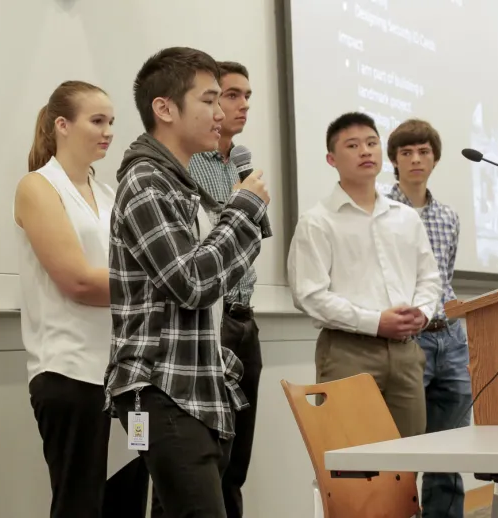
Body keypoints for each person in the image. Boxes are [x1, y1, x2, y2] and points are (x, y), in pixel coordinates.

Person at [105, 46, 272, 518]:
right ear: (165, 108)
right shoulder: (145, 182)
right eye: (209, 99)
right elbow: (194, 283)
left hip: (192, 389)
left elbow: (212, 280)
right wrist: (242, 210)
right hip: (162, 389)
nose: (221, 113)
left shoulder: (176, 183)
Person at [287, 111, 442, 440]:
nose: (366, 151)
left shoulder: (404, 218)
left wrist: (422, 312)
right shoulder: (318, 221)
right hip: (348, 351)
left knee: (408, 460)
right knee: (349, 462)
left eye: (372, 143)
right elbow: (309, 295)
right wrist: (375, 321)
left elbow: (429, 277)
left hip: (406, 351)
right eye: (353, 145)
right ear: (332, 159)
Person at [13, 80, 119, 518]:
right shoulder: (38, 187)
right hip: (69, 370)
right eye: (97, 120)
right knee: (80, 505)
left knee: (124, 501)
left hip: (121, 374)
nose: (108, 131)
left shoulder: (111, 194)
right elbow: (76, 281)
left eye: (112, 121)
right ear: (62, 125)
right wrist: (160, 284)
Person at [187, 60, 264, 518]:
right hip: (207, 319)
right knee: (202, 464)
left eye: (246, 96)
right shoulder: (190, 162)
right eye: (229, 95)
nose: (240, 106)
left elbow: (253, 240)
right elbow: (206, 246)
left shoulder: (241, 160)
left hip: (244, 317)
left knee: (237, 463)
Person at [385, 118, 472, 518]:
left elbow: (446, 277)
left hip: (450, 336)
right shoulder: (381, 212)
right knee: (402, 445)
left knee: (450, 446)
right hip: (407, 339)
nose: (416, 159)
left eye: (423, 152)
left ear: (435, 160)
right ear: (394, 161)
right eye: (407, 153)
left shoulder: (449, 217)